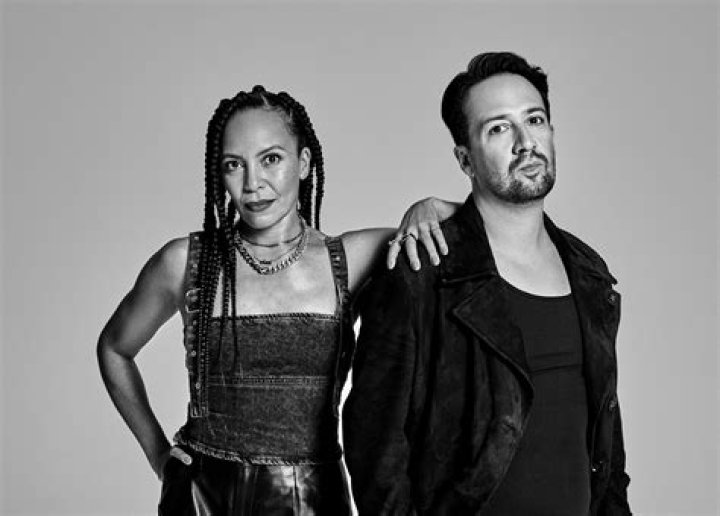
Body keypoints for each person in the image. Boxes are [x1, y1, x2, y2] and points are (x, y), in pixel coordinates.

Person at [96, 85, 456, 515]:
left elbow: (478, 224)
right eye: (234, 165)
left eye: (271, 159)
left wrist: (430, 206)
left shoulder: (353, 257)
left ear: (303, 163)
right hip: (200, 497)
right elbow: (114, 348)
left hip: (311, 498)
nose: (253, 184)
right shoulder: (186, 262)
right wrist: (158, 455)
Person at [344, 52, 632, 515]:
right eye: (498, 128)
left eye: (534, 120)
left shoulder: (589, 273)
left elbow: (607, 449)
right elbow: (374, 448)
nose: (525, 143)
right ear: (466, 159)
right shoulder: (422, 272)